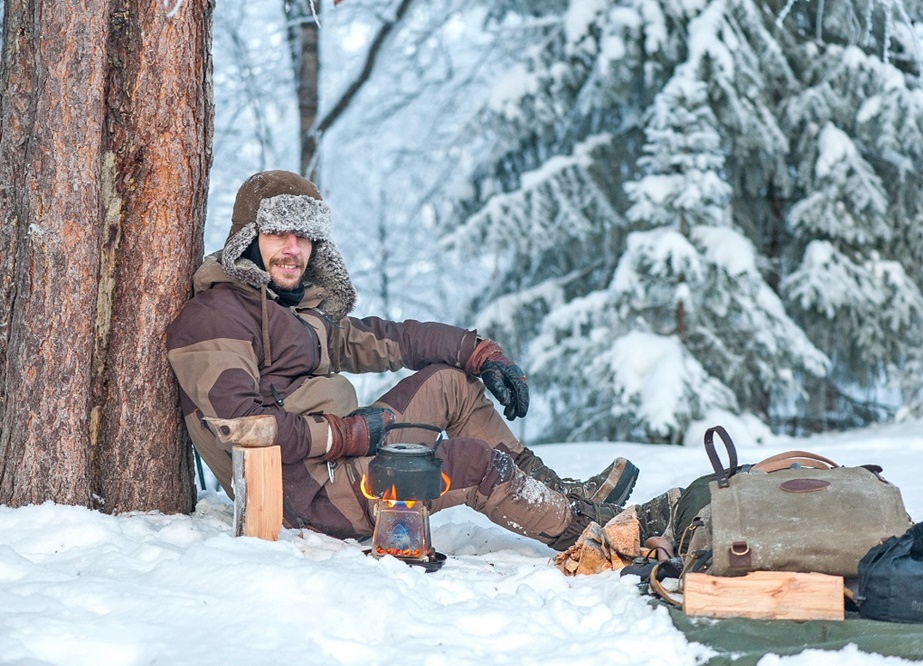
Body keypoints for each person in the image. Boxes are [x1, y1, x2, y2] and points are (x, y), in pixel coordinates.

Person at [166, 170, 673, 552]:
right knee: (475, 465)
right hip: (311, 498)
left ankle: (557, 490)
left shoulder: (291, 312)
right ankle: (594, 539)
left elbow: (383, 339)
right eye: (280, 234)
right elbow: (245, 424)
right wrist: (344, 436)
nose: (293, 249)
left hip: (341, 460)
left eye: (304, 237)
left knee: (451, 382)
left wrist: (475, 350)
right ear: (247, 238)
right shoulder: (215, 317)